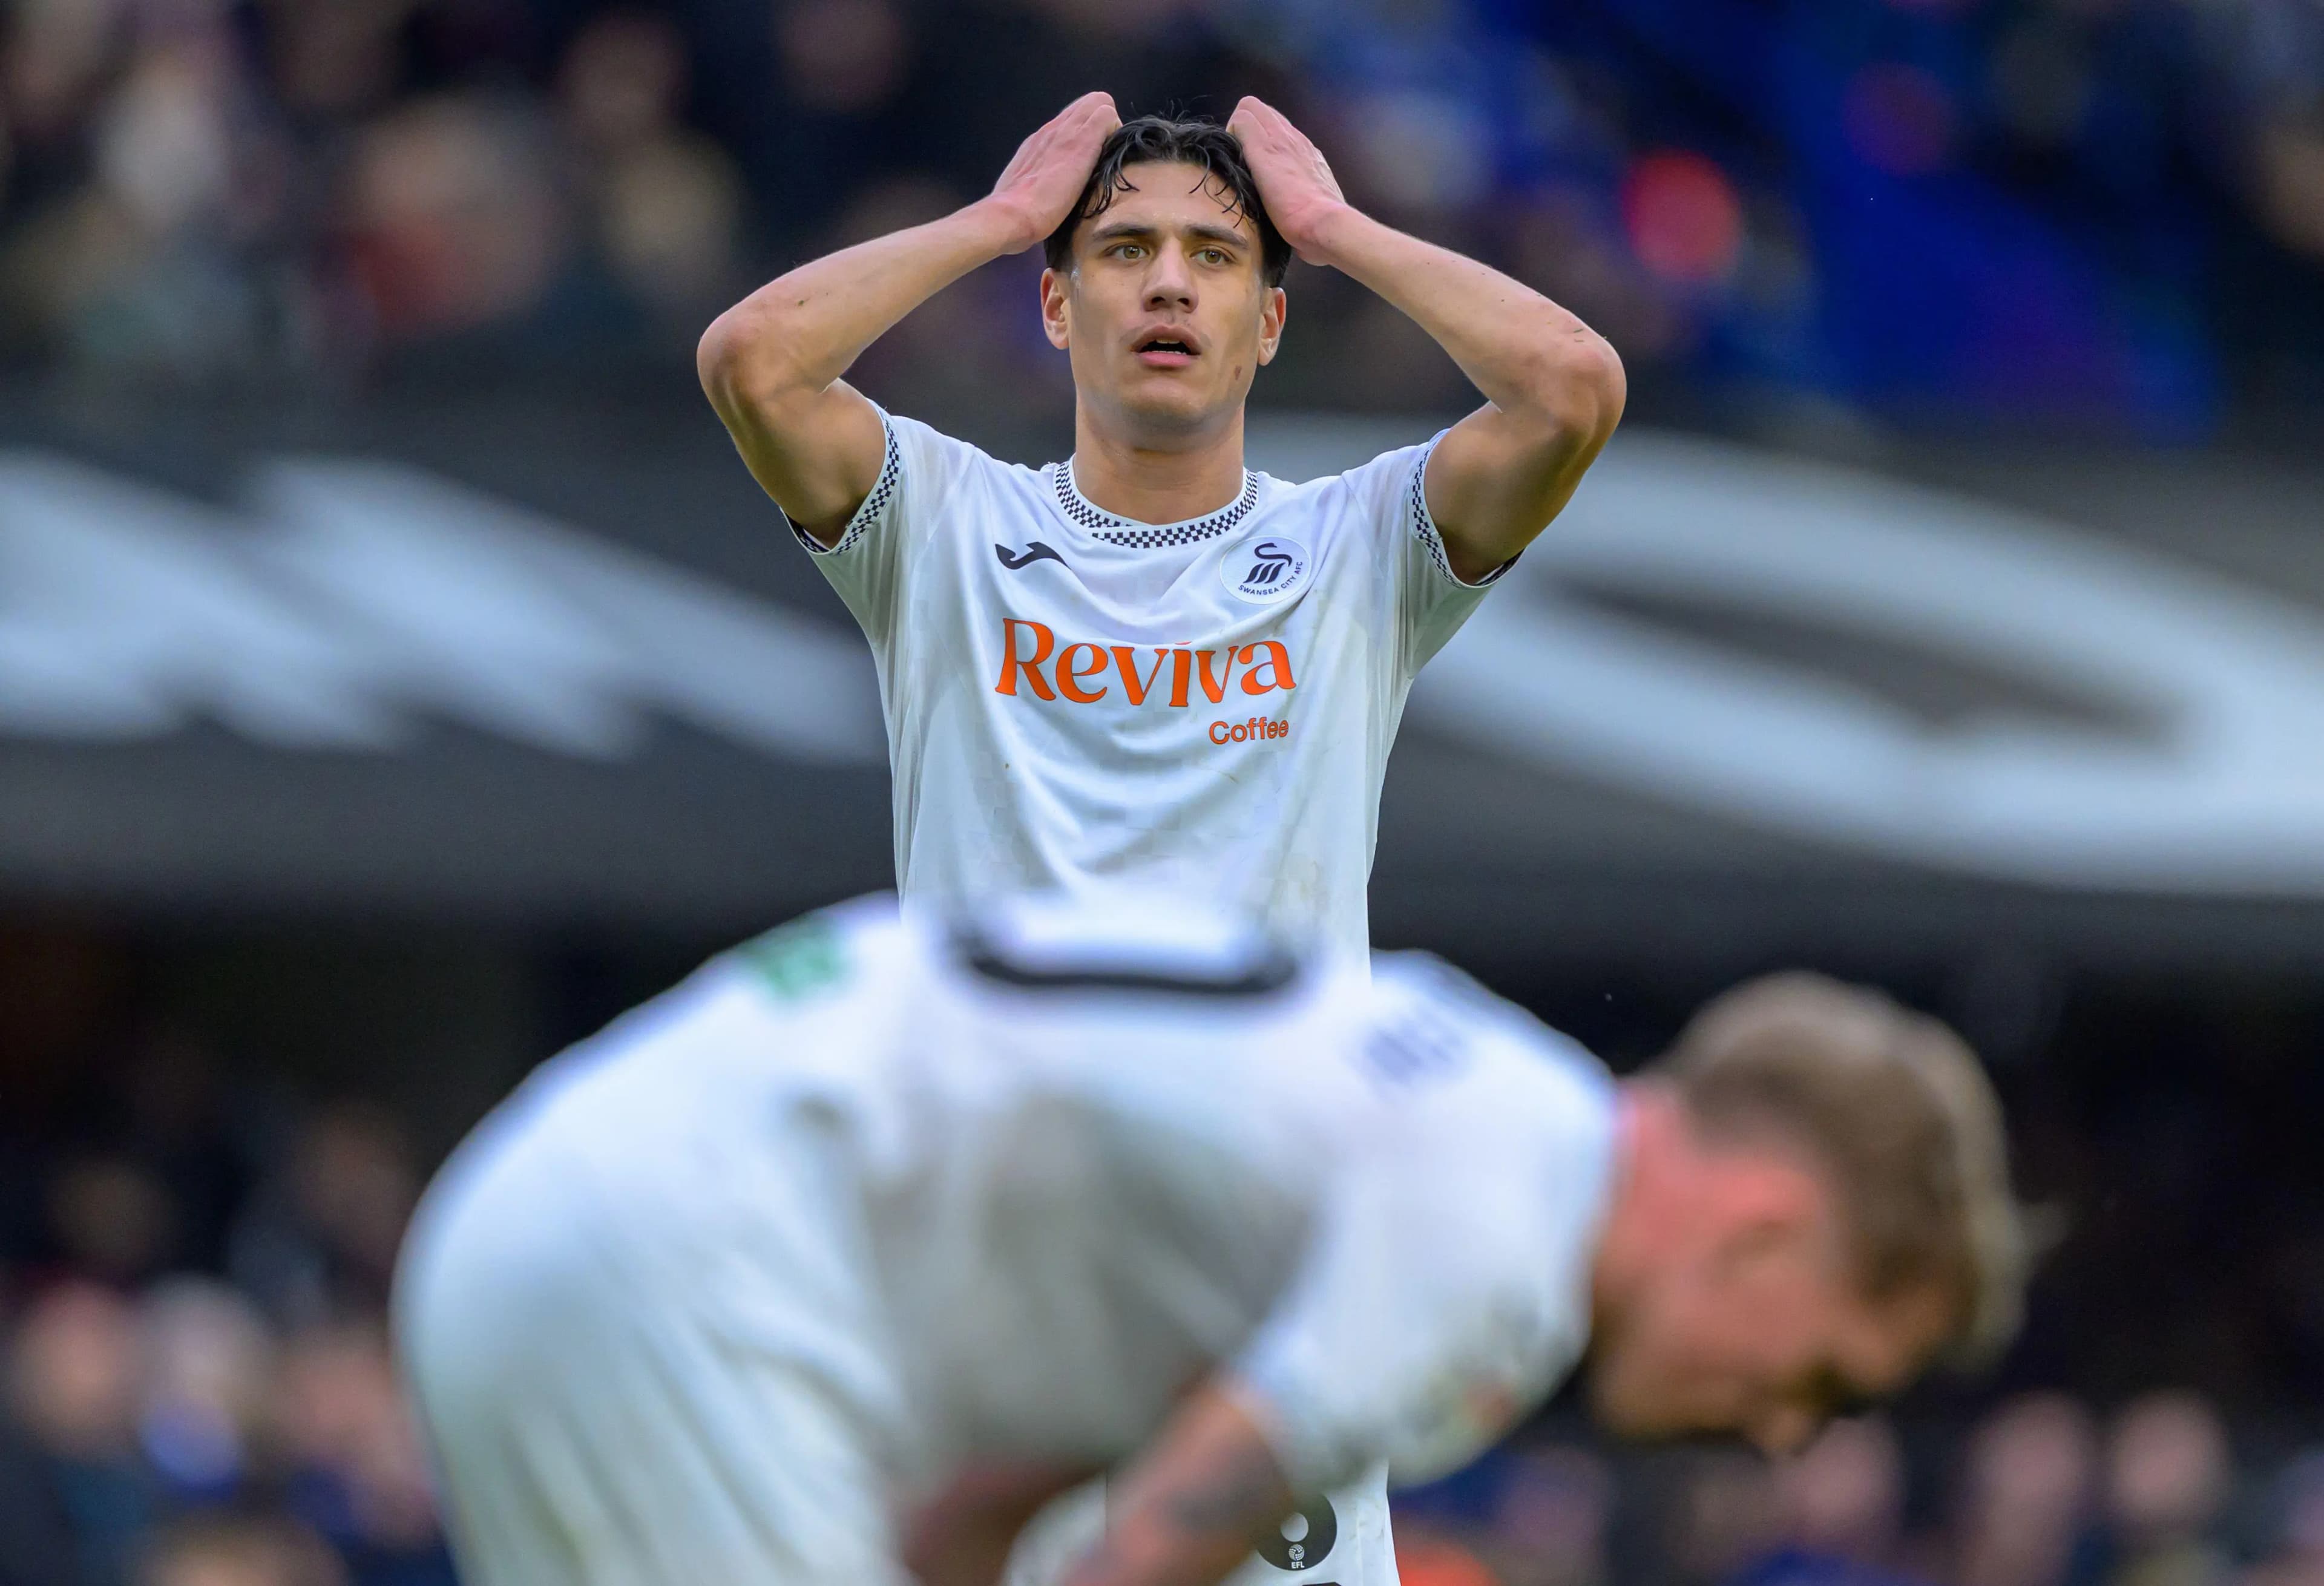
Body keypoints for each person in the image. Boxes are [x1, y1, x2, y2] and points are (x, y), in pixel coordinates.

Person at [697, 92, 1625, 1583]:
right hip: (1007, 1273)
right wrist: (998, 221)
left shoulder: (1359, 547)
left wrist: (1338, 230)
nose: (1171, 283)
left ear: (1269, 322)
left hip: (1271, 1270)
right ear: (1059, 311)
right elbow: (752, 359)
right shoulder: (937, 523)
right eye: (1124, 251)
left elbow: (1572, 387)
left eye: (1214, 254)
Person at [394, 893, 2026, 1586]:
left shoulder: (1467, 1093)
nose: (1785, 1420)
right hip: (695, 1274)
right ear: (1766, 1227)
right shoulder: (1514, 1248)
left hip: (568, 1208)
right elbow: (1152, 1544)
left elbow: (981, 1520)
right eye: (1822, 1366)